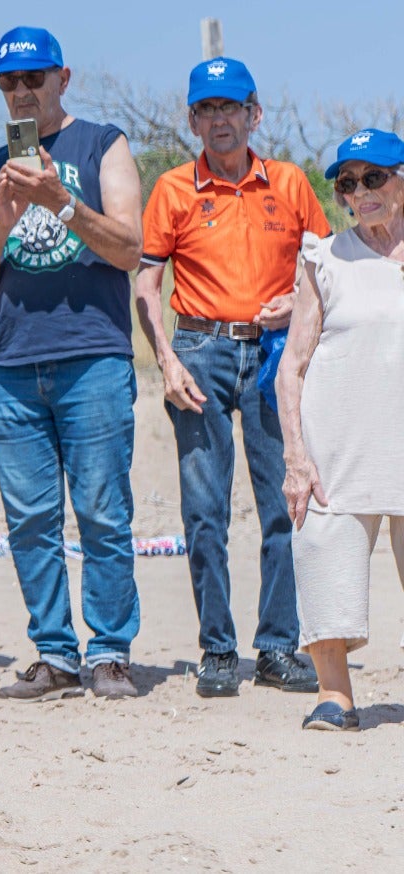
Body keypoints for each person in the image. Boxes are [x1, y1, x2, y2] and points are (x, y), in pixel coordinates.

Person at [0, 27, 144, 702]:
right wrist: (3, 221)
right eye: (8, 82)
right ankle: (56, 654)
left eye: (33, 78)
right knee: (31, 521)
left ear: (64, 78)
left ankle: (111, 652)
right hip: (11, 368)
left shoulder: (102, 145)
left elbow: (129, 247)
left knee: (102, 511)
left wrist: (62, 201)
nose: (21, 91)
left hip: (92, 357)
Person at [135, 57, 326, 698]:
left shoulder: (292, 184)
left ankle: (277, 647)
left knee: (283, 505)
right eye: (207, 110)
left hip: (275, 356)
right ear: (192, 120)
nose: (220, 121)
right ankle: (217, 650)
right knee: (205, 511)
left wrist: (296, 305)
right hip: (199, 350)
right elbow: (146, 283)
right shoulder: (171, 190)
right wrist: (165, 357)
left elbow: (322, 270)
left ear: (254, 114)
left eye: (231, 108)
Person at [278, 128, 404, 732]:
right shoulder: (323, 257)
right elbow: (291, 367)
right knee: (324, 552)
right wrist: (297, 458)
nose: (361, 193)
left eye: (374, 177)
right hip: (336, 449)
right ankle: (336, 697)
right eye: (348, 184)